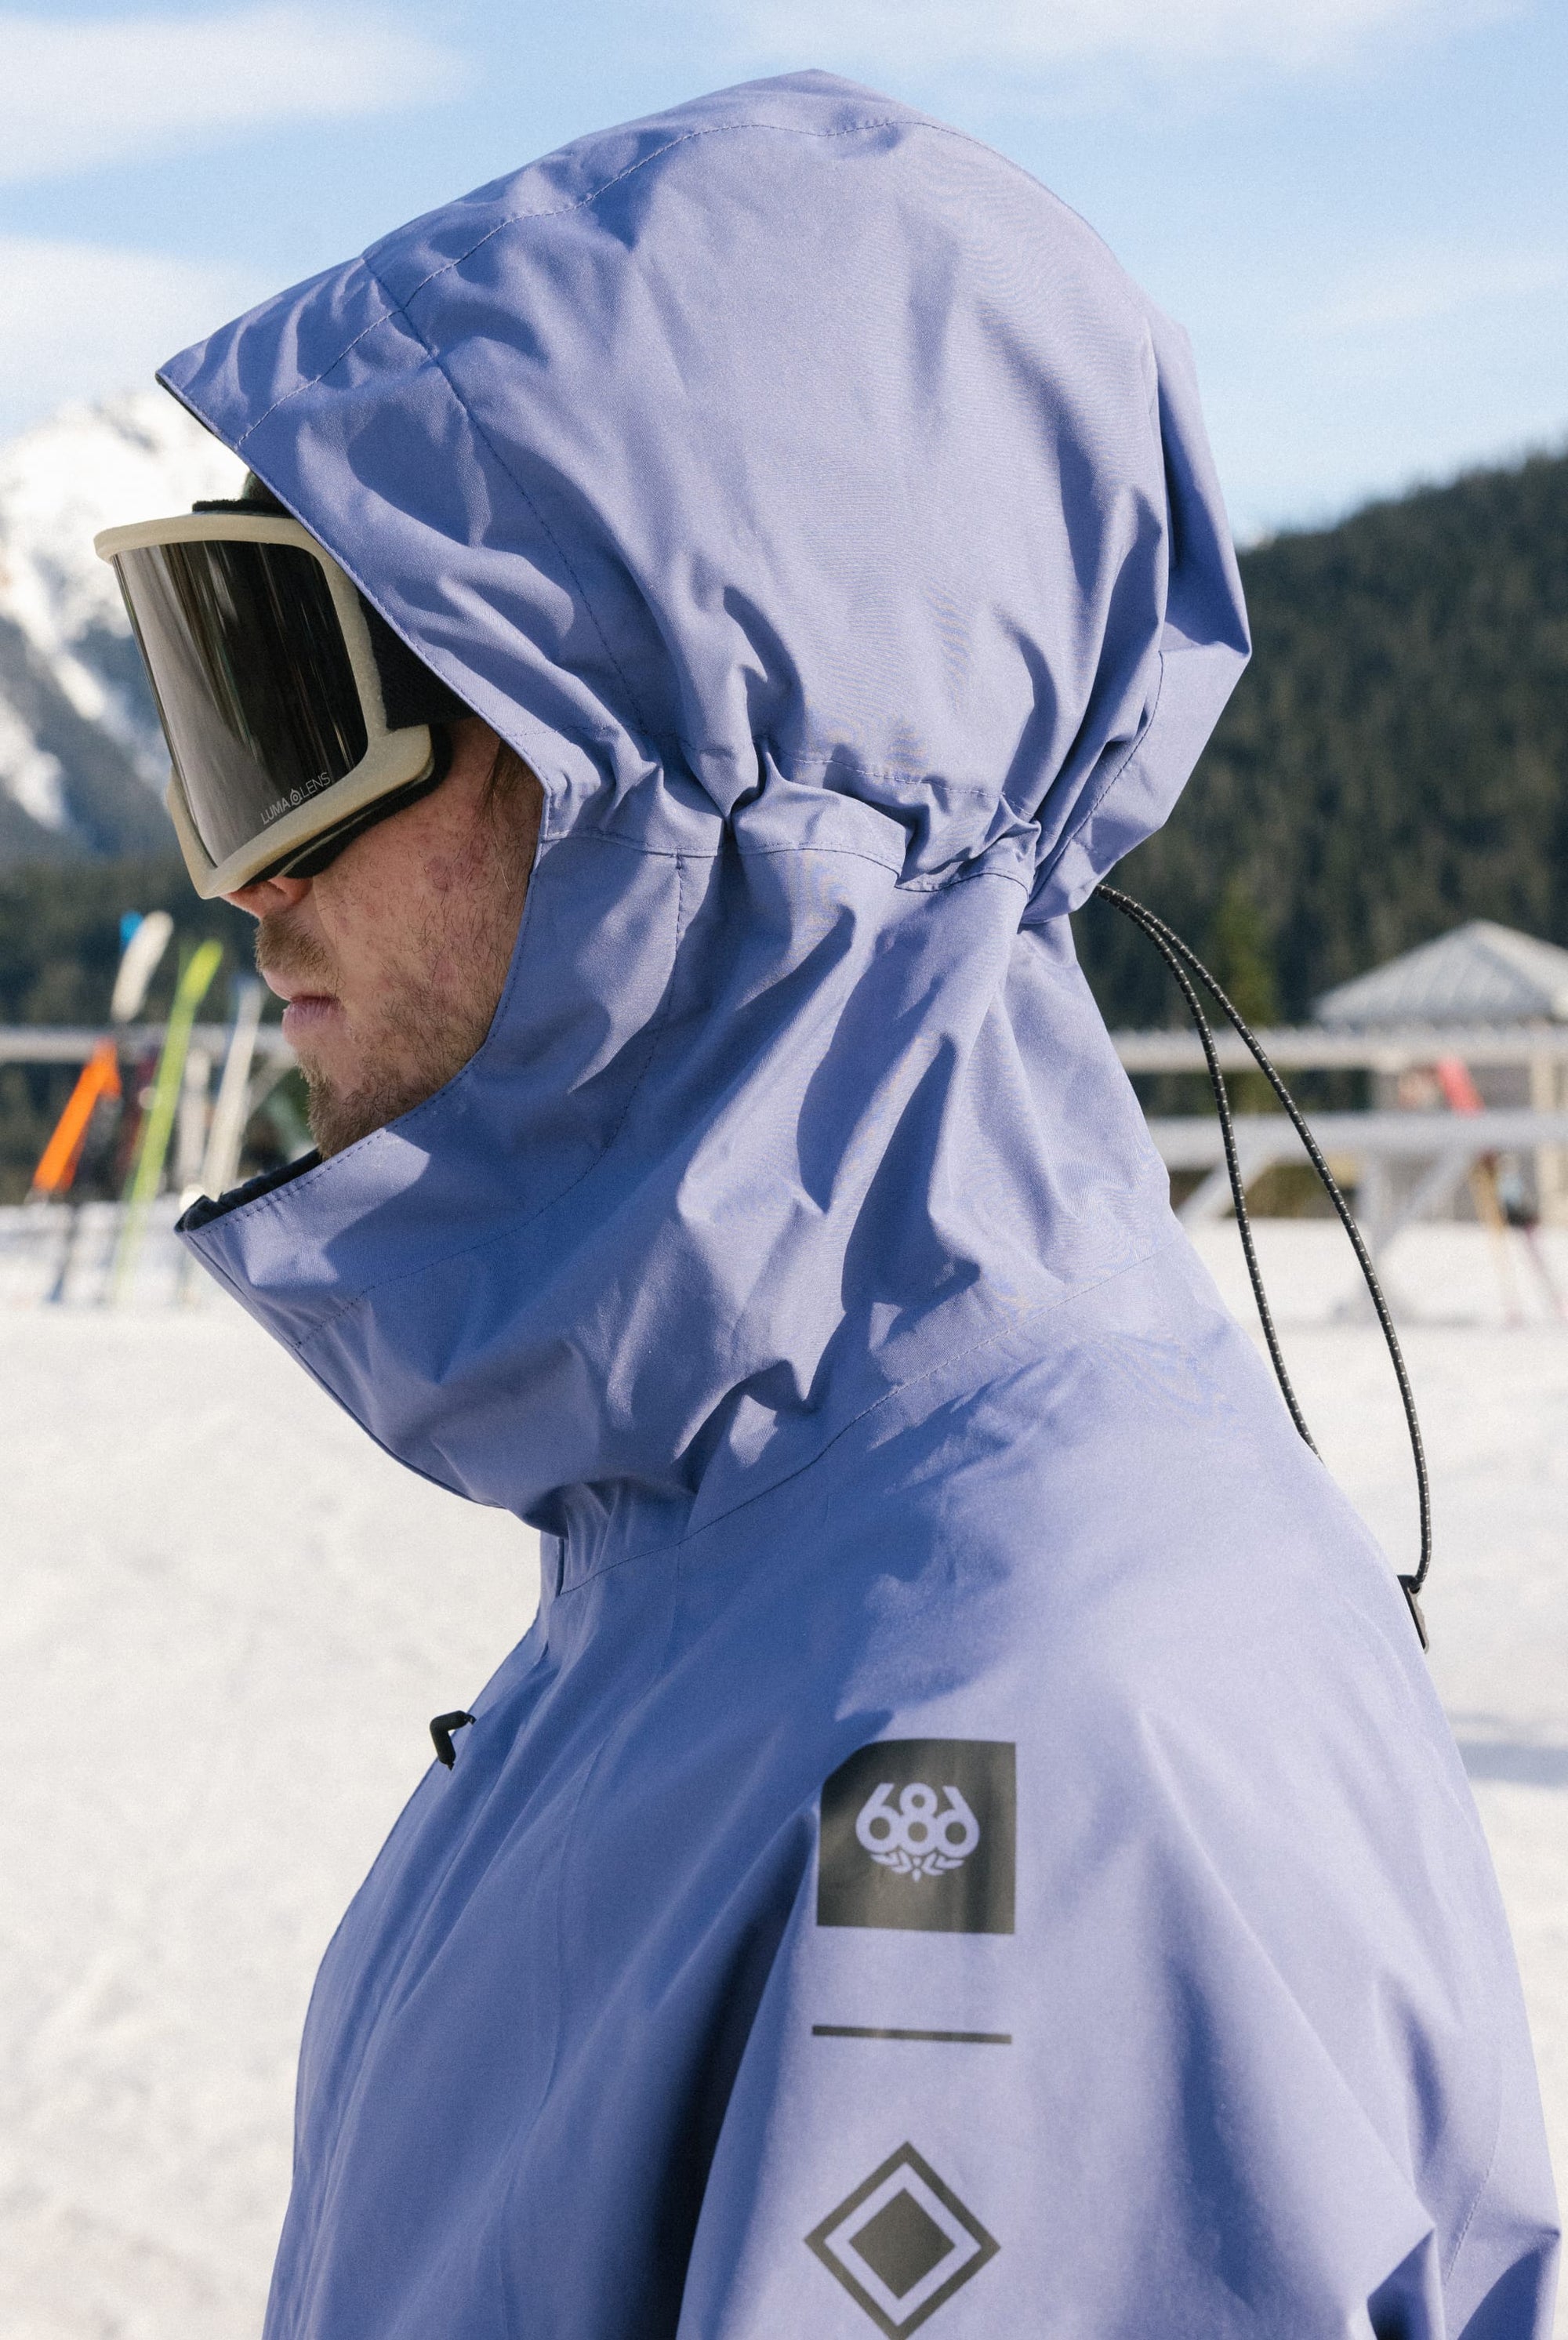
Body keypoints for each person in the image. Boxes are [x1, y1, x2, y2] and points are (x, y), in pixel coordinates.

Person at [103, 71, 1555, 2340]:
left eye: (315, 709)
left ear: (695, 781)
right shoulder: (737, 1534)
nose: (248, 865)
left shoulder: (1029, 1748)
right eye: (218, 699)